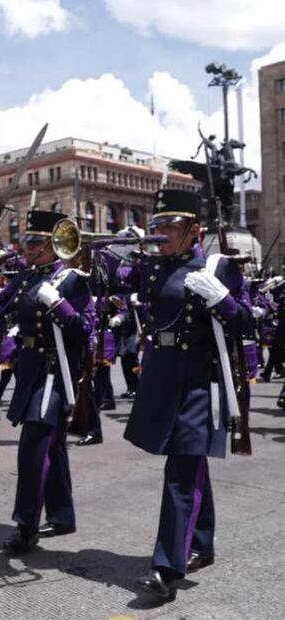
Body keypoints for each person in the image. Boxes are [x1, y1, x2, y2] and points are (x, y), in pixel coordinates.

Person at [111, 190, 254, 601]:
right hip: (162, 376)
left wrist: (223, 299)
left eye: (171, 227)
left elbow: (245, 323)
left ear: (195, 231)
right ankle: (202, 541)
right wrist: (115, 247)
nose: (161, 234)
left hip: (198, 380)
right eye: (158, 226)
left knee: (179, 473)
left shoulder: (219, 266)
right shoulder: (152, 267)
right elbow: (105, 284)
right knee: (189, 465)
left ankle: (166, 568)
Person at [0, 210, 94, 556]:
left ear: (54, 245)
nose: (29, 248)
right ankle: (63, 515)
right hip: (30, 368)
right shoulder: (25, 277)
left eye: (36, 242)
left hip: (55, 371)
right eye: (27, 241)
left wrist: (59, 305)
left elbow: (84, 329)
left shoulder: (71, 280)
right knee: (50, 446)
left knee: (33, 448)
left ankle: (26, 526)